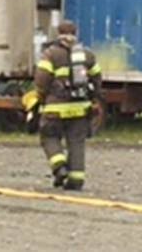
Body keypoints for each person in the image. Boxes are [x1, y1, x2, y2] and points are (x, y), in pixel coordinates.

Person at [33, 20, 101, 191]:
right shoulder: (87, 55)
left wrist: (41, 98)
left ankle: (60, 168)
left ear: (58, 33)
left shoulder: (50, 54)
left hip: (55, 108)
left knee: (49, 137)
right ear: (75, 33)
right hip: (80, 108)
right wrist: (94, 98)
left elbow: (41, 80)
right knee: (77, 142)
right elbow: (97, 79)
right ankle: (76, 180)